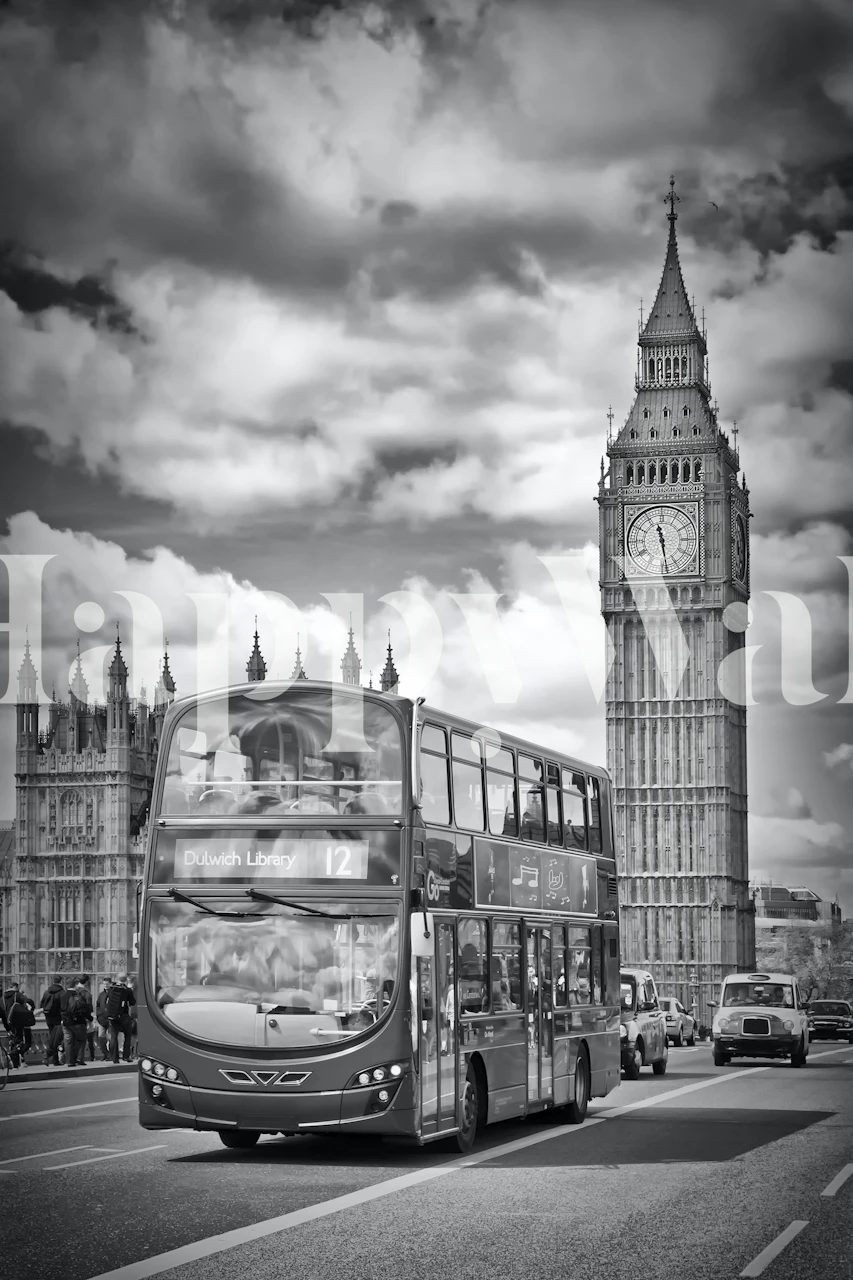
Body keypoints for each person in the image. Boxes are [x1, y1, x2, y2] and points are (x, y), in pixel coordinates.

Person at [105, 973, 136, 1064]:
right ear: (126, 979)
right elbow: (132, 1002)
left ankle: (115, 1058)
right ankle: (126, 1056)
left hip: (112, 1016)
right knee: (128, 1034)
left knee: (114, 1036)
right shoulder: (127, 990)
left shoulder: (111, 989)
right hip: (124, 1016)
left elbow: (106, 1001)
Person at [61, 981, 92, 1068]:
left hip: (66, 1023)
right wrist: (90, 1018)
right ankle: (79, 1058)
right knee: (81, 1039)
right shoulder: (78, 996)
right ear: (75, 986)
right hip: (78, 1022)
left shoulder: (63, 996)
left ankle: (69, 1061)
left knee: (68, 1042)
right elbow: (85, 1009)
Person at [40, 973, 66, 1066]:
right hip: (58, 1019)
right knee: (57, 1040)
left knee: (53, 1038)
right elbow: (64, 1007)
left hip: (48, 1018)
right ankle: (47, 1055)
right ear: (61, 981)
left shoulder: (47, 992)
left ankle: (55, 1060)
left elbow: (42, 1004)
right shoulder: (62, 993)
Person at [6, 991, 36, 1068]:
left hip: (17, 1026)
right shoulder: (23, 1007)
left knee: (18, 1043)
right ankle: (13, 1054)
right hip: (25, 1027)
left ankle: (19, 1060)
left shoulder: (17, 1008)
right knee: (25, 1043)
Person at [79, 974, 97, 1061]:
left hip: (74, 1019)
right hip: (86, 1019)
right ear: (86, 982)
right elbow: (89, 1007)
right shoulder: (86, 993)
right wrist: (91, 1018)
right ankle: (91, 1056)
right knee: (89, 1038)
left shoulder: (73, 991)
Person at [95, 978, 112, 1061]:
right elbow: (98, 1005)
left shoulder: (113, 993)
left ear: (110, 984)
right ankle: (105, 1053)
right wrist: (98, 1014)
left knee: (110, 1038)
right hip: (102, 1019)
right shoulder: (101, 994)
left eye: (107, 984)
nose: (105, 985)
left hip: (110, 1019)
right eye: (104, 984)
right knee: (101, 1037)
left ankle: (111, 1054)